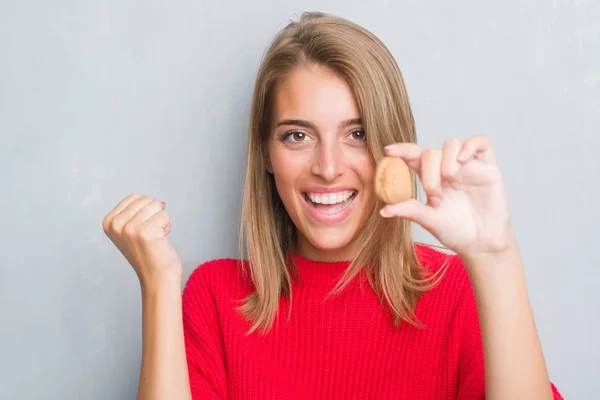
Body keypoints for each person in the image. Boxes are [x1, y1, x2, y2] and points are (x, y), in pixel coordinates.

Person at [102, 12, 564, 400]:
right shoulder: (216, 298)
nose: (327, 167)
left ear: (390, 144)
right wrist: (158, 285)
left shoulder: (457, 292)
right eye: (297, 135)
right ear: (266, 152)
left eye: (356, 134)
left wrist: (494, 258)